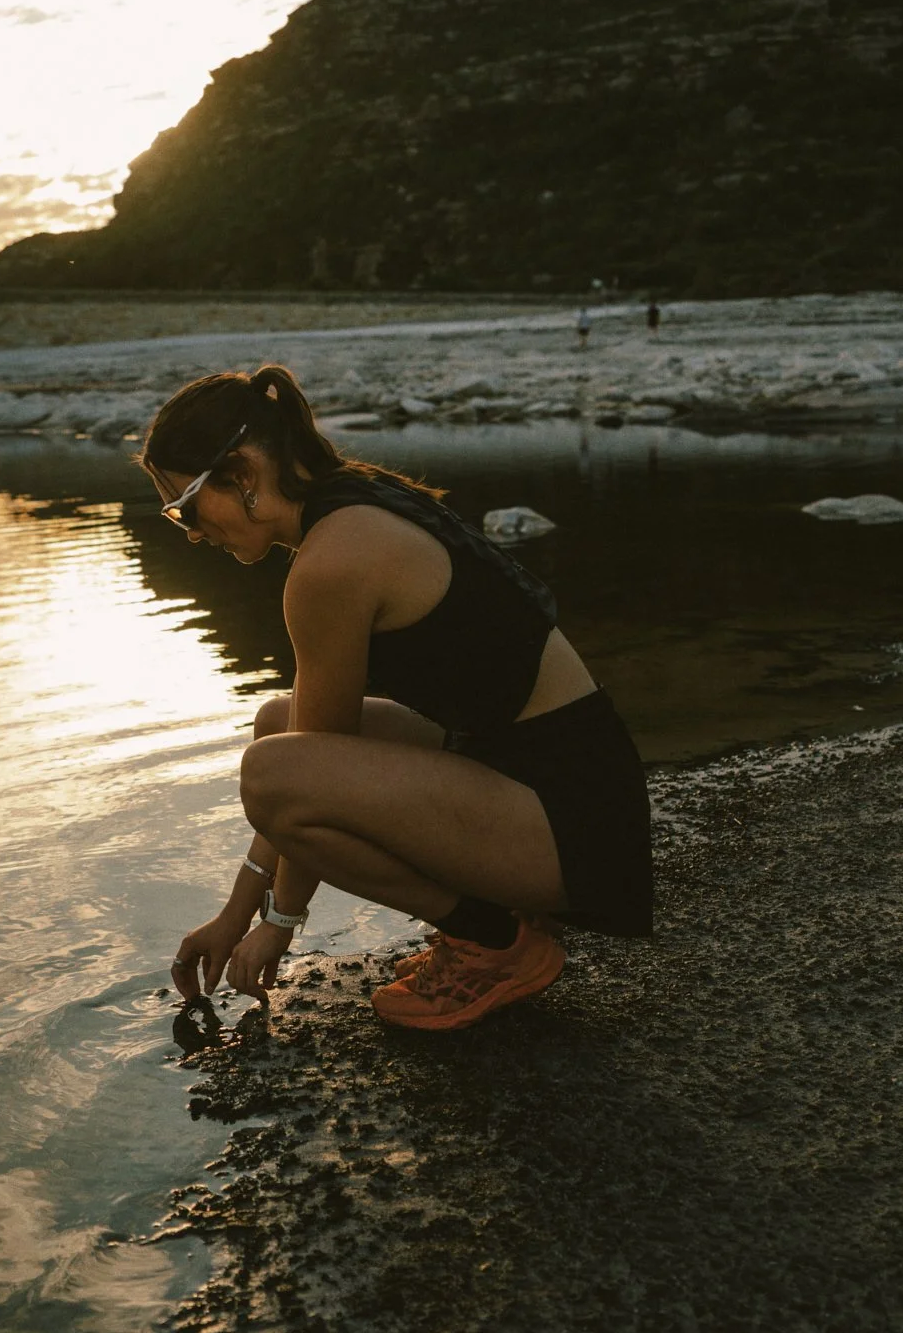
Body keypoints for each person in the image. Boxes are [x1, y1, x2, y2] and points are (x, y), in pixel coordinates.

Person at [141, 365, 652, 1032]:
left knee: (274, 770)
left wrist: (276, 925)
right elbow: (304, 746)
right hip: (558, 788)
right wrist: (232, 916)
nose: (190, 532)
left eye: (185, 507)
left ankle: (495, 942)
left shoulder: (331, 564)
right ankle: (493, 925)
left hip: (571, 830)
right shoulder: (355, 500)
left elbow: (300, 779)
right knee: (275, 725)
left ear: (240, 474)